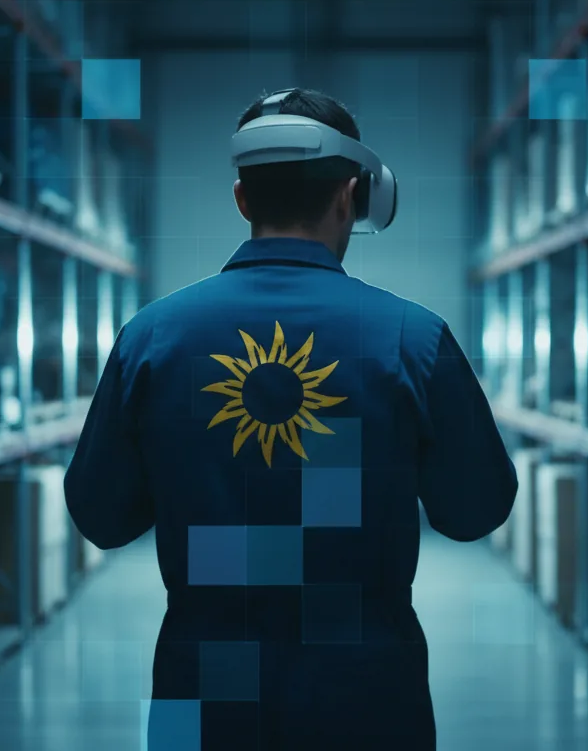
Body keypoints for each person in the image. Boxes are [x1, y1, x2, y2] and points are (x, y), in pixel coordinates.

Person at [65, 88, 517, 751]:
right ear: (354, 196)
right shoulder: (412, 339)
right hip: (367, 692)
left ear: (243, 200)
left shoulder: (152, 338)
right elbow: (475, 510)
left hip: (202, 688)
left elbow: (101, 517)